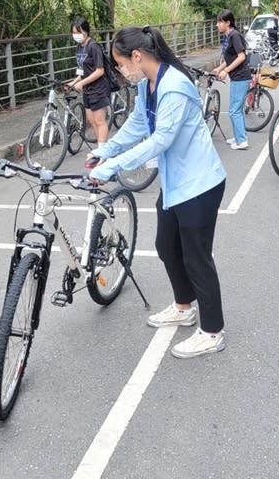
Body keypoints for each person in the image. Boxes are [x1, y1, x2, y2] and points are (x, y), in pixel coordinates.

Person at [87, 25, 228, 359]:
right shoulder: (149, 86)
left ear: (137, 57)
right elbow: (137, 127)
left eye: (121, 64)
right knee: (166, 246)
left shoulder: (175, 86)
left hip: (200, 184)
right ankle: (184, 307)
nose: (122, 72)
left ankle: (212, 331)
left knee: (197, 258)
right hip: (177, 183)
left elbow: (160, 139)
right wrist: (104, 151)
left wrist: (111, 167)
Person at [212, 9, 251, 150]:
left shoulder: (234, 35)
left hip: (241, 77)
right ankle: (238, 137)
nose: (217, 25)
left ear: (228, 23)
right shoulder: (228, 36)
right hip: (237, 77)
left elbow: (241, 57)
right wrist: (219, 68)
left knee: (234, 110)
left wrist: (226, 71)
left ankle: (242, 140)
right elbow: (230, 57)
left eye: (220, 22)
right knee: (236, 109)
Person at [68, 17, 110, 145]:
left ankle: (102, 152)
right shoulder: (80, 47)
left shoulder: (94, 46)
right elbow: (83, 71)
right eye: (74, 33)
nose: (76, 35)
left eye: (78, 32)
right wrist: (74, 82)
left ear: (86, 31)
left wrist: (81, 83)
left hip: (98, 89)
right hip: (87, 90)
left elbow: (99, 70)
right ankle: (101, 148)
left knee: (100, 121)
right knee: (92, 121)